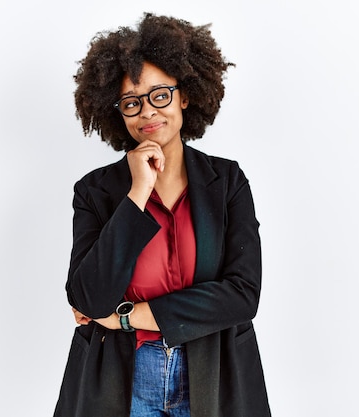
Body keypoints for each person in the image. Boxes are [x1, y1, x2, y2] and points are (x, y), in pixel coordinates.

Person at [54, 13, 271, 417]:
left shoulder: (227, 182)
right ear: (117, 111)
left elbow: (242, 294)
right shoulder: (95, 191)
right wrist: (138, 192)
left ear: (184, 96)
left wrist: (125, 317)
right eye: (132, 102)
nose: (147, 112)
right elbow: (87, 297)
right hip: (120, 378)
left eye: (160, 95)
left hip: (214, 373)